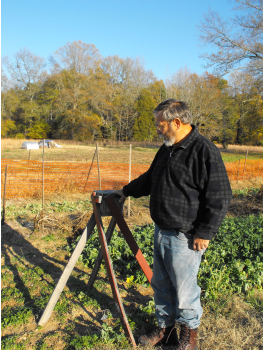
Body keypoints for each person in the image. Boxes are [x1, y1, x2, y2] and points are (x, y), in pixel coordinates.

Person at [115, 99, 232, 350]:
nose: (158, 129)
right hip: (161, 230)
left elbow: (220, 195)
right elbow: (150, 178)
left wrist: (205, 231)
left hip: (186, 236)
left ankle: (189, 339)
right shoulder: (168, 147)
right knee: (161, 284)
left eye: (161, 124)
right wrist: (125, 191)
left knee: (185, 290)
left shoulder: (204, 150)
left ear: (177, 122)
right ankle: (165, 331)